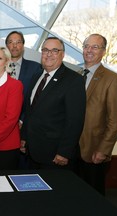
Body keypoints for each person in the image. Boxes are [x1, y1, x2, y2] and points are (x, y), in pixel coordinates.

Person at [20, 37, 86, 170]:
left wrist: (64, 152)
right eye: (45, 50)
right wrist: (24, 138)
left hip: (55, 155)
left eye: (54, 50)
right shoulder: (37, 76)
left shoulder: (74, 80)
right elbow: (30, 112)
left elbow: (75, 121)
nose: (49, 54)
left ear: (62, 54)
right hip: (33, 151)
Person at [77, 33, 117, 196]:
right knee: (74, 195)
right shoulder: (76, 75)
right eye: (86, 46)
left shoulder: (113, 79)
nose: (89, 50)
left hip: (94, 151)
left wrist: (103, 150)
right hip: (72, 150)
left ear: (103, 51)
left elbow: (116, 121)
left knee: (93, 197)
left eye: (95, 47)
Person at [5, 30, 42, 169]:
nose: (14, 46)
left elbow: (37, 100)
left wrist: (22, 119)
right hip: (0, 128)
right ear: (6, 46)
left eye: (18, 42)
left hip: (25, 127)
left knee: (23, 169)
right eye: (10, 42)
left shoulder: (35, 68)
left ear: (23, 46)